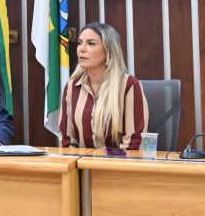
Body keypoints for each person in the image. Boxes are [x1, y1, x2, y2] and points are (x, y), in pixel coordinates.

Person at [59, 22, 148, 150]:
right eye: (79, 43)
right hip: (82, 166)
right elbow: (67, 141)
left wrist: (102, 162)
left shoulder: (129, 86)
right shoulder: (72, 87)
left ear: (108, 50)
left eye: (91, 43)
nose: (81, 49)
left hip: (116, 167)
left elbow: (134, 144)